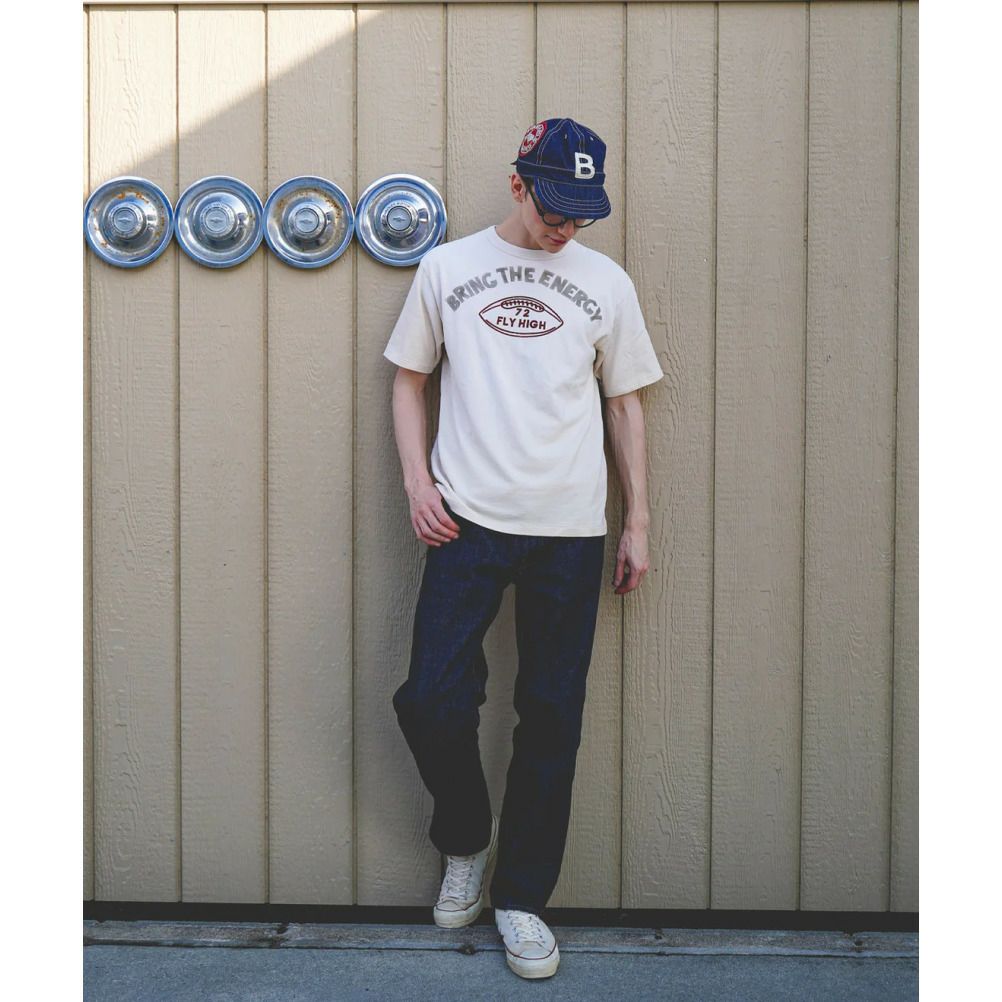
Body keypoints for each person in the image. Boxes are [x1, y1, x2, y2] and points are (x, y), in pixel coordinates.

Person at [383, 117, 664, 980]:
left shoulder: (606, 283)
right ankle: (466, 840)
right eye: (553, 209)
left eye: (581, 213)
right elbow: (408, 380)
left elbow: (624, 403)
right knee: (430, 698)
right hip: (465, 522)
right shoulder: (447, 269)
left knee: (551, 717)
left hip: (569, 531)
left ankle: (522, 900)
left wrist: (638, 520)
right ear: (518, 184)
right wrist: (418, 484)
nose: (565, 227)